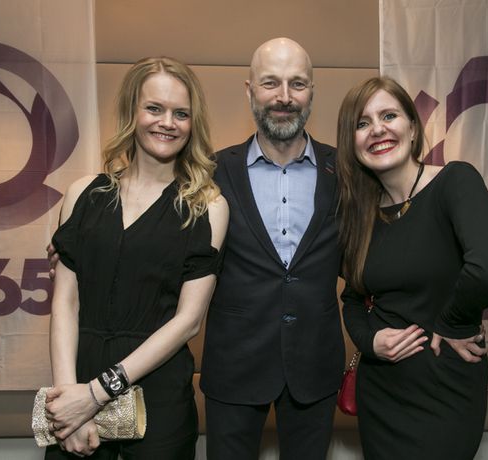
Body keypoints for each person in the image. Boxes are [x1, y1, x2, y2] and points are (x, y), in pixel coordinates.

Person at [43, 56, 228, 459]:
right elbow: (65, 303)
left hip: (158, 398)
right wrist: (68, 401)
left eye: (181, 113)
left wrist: (97, 393)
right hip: (77, 384)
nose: (168, 123)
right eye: (154, 108)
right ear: (132, 111)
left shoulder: (207, 206)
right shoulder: (83, 194)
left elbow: (188, 321)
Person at [336, 76, 488, 459]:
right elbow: (352, 297)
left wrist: (452, 322)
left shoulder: (455, 181)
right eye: (363, 123)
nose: (378, 129)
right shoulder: (360, 214)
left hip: (445, 392)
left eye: (389, 115)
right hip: (380, 393)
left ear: (413, 127)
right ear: (352, 142)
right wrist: (368, 342)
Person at [198, 37, 344, 460]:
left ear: (312, 92)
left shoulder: (347, 171)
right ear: (249, 91)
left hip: (315, 364)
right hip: (233, 364)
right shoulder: (210, 172)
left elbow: (387, 246)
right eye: (270, 83)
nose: (284, 97)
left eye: (297, 84)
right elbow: (164, 245)